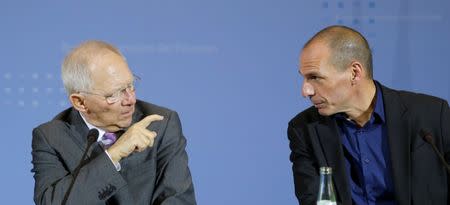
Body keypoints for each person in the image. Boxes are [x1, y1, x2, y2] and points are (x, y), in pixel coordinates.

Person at [287, 25, 450, 205]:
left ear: (354, 73)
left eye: (315, 77)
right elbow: (311, 199)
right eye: (304, 78)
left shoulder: (432, 114)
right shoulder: (304, 129)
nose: (305, 91)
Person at [31, 40, 197, 205]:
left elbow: (179, 200)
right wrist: (113, 155)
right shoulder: (51, 137)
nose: (131, 100)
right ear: (80, 102)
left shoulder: (160, 124)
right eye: (114, 95)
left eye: (131, 85)